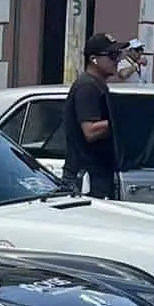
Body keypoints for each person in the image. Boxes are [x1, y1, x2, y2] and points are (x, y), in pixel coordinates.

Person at [63, 33, 123, 198]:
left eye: (118, 55)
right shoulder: (87, 87)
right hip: (87, 177)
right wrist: (123, 122)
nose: (117, 60)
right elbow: (90, 131)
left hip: (98, 173)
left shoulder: (99, 85)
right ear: (94, 59)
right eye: (112, 55)